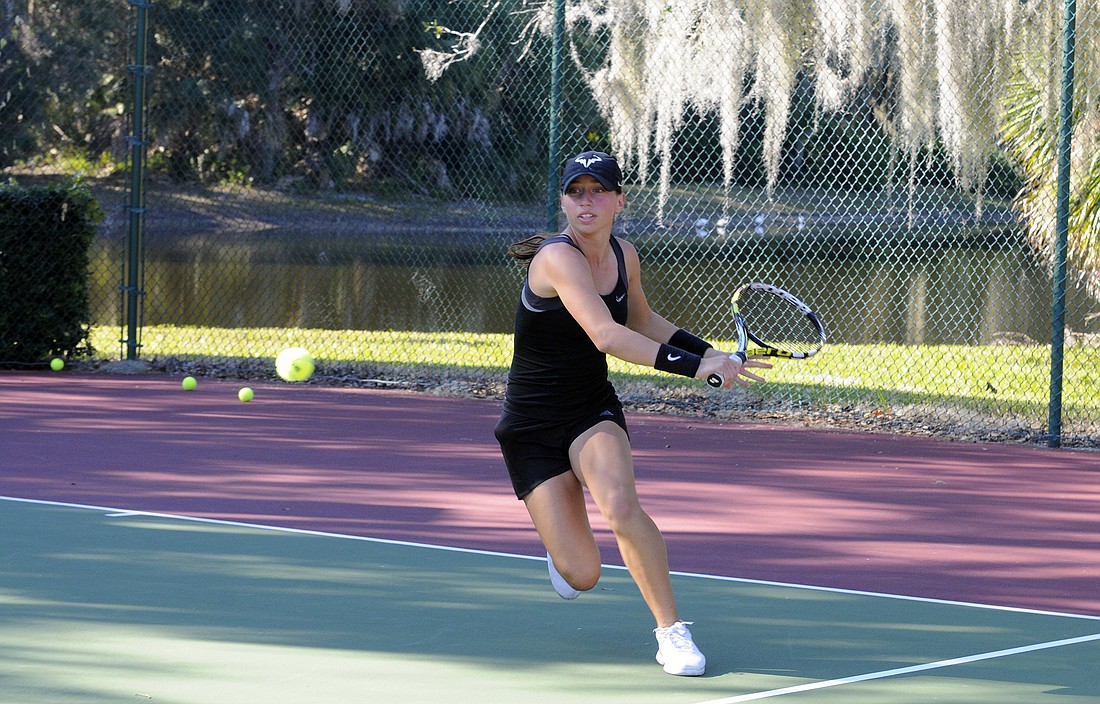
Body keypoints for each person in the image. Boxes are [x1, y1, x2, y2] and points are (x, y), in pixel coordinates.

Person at [494, 150, 770, 676]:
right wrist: (695, 370)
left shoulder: (623, 254)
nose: (587, 200)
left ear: (620, 200)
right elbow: (608, 334)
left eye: (598, 190)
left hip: (589, 410)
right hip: (530, 425)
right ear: (564, 202)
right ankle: (562, 542)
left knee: (620, 506)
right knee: (582, 575)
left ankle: (671, 631)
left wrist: (708, 352)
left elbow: (641, 319)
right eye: (576, 191)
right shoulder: (557, 259)